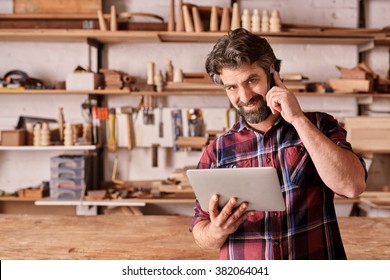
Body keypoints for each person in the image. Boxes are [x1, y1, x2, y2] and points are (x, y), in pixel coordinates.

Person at [189, 28, 367, 260]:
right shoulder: (218, 150)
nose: (244, 96)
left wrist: (297, 119)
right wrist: (216, 231)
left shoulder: (319, 126)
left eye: (251, 80)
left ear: (273, 74)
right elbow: (200, 230)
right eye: (231, 87)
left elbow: (352, 186)